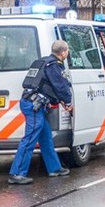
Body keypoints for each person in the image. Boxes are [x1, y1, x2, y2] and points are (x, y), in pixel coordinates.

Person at [9, 40, 73, 185]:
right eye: (67, 51)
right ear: (63, 53)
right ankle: (17, 173)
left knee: (45, 137)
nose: (67, 54)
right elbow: (61, 87)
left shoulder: (41, 62)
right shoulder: (54, 65)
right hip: (33, 106)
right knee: (29, 138)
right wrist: (68, 103)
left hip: (32, 103)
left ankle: (54, 168)